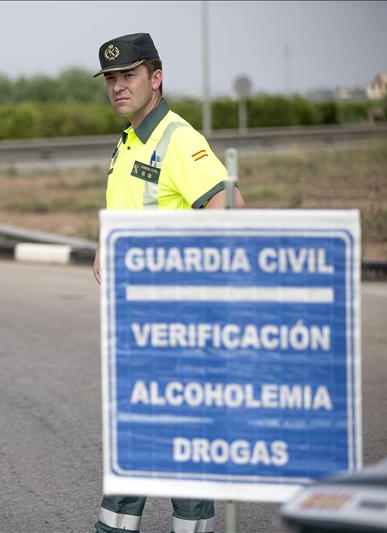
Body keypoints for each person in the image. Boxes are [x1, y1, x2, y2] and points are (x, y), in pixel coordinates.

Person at [91, 33, 245, 533]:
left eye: (128, 76)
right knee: (137, 436)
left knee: (182, 439)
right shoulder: (132, 136)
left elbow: (231, 210)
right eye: (111, 79)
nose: (118, 87)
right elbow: (135, 204)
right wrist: (105, 243)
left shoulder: (179, 139)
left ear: (155, 78)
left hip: (178, 323)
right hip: (138, 323)